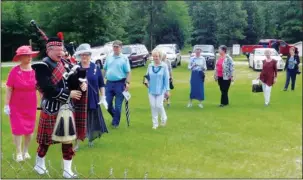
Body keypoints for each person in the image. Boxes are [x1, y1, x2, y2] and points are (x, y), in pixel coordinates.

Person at [32, 36, 87, 178]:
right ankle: (39, 164)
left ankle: (67, 171)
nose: (61, 53)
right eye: (58, 50)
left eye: (61, 50)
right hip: (51, 107)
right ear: (49, 50)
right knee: (46, 141)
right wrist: (69, 94)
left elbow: (73, 83)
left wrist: (81, 85)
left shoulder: (65, 64)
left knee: (67, 140)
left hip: (66, 108)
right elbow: (47, 89)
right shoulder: (42, 66)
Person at [4, 46, 39, 162]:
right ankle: (18, 152)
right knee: (18, 129)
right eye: (26, 55)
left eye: (30, 55)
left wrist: (43, 101)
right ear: (20, 57)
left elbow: (40, 87)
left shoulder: (35, 71)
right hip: (16, 105)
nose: (29, 57)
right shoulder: (14, 71)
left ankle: (25, 151)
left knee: (29, 129)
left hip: (31, 104)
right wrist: (6, 105)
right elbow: (9, 89)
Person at [73, 43, 108, 150]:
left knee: (92, 120)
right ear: (80, 56)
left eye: (87, 55)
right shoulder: (76, 68)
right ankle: (77, 143)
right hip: (80, 99)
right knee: (79, 122)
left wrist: (103, 97)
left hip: (93, 99)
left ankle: (91, 140)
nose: (85, 57)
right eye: (83, 55)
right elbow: (71, 84)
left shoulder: (95, 68)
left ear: (90, 55)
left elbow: (101, 84)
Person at [103, 40, 131, 128]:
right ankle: (115, 117)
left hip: (120, 83)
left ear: (121, 48)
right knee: (107, 103)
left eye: (117, 47)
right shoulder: (109, 57)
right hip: (109, 83)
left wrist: (127, 83)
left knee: (118, 105)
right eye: (114, 46)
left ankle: (115, 123)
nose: (115, 48)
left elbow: (128, 72)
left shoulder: (124, 58)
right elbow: (104, 69)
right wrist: (102, 80)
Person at [145, 49, 170, 129]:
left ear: (160, 57)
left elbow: (166, 79)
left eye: (157, 56)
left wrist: (167, 90)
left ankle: (164, 118)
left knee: (159, 105)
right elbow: (147, 76)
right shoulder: (150, 65)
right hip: (151, 89)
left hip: (160, 90)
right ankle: (155, 124)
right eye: (154, 56)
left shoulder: (164, 66)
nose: (155, 58)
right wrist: (146, 82)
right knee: (153, 106)